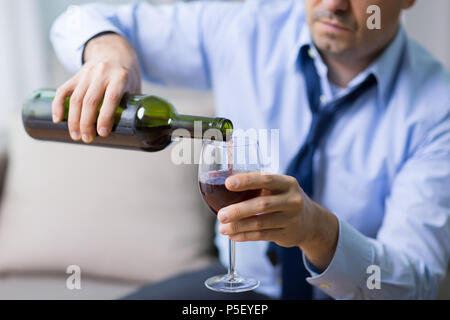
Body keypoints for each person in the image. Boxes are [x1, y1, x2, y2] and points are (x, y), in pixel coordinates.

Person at [50, 0, 450, 300]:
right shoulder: (245, 27)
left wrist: (318, 231)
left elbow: (417, 284)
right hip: (241, 294)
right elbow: (80, 18)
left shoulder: (437, 107)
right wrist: (107, 50)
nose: (333, 5)